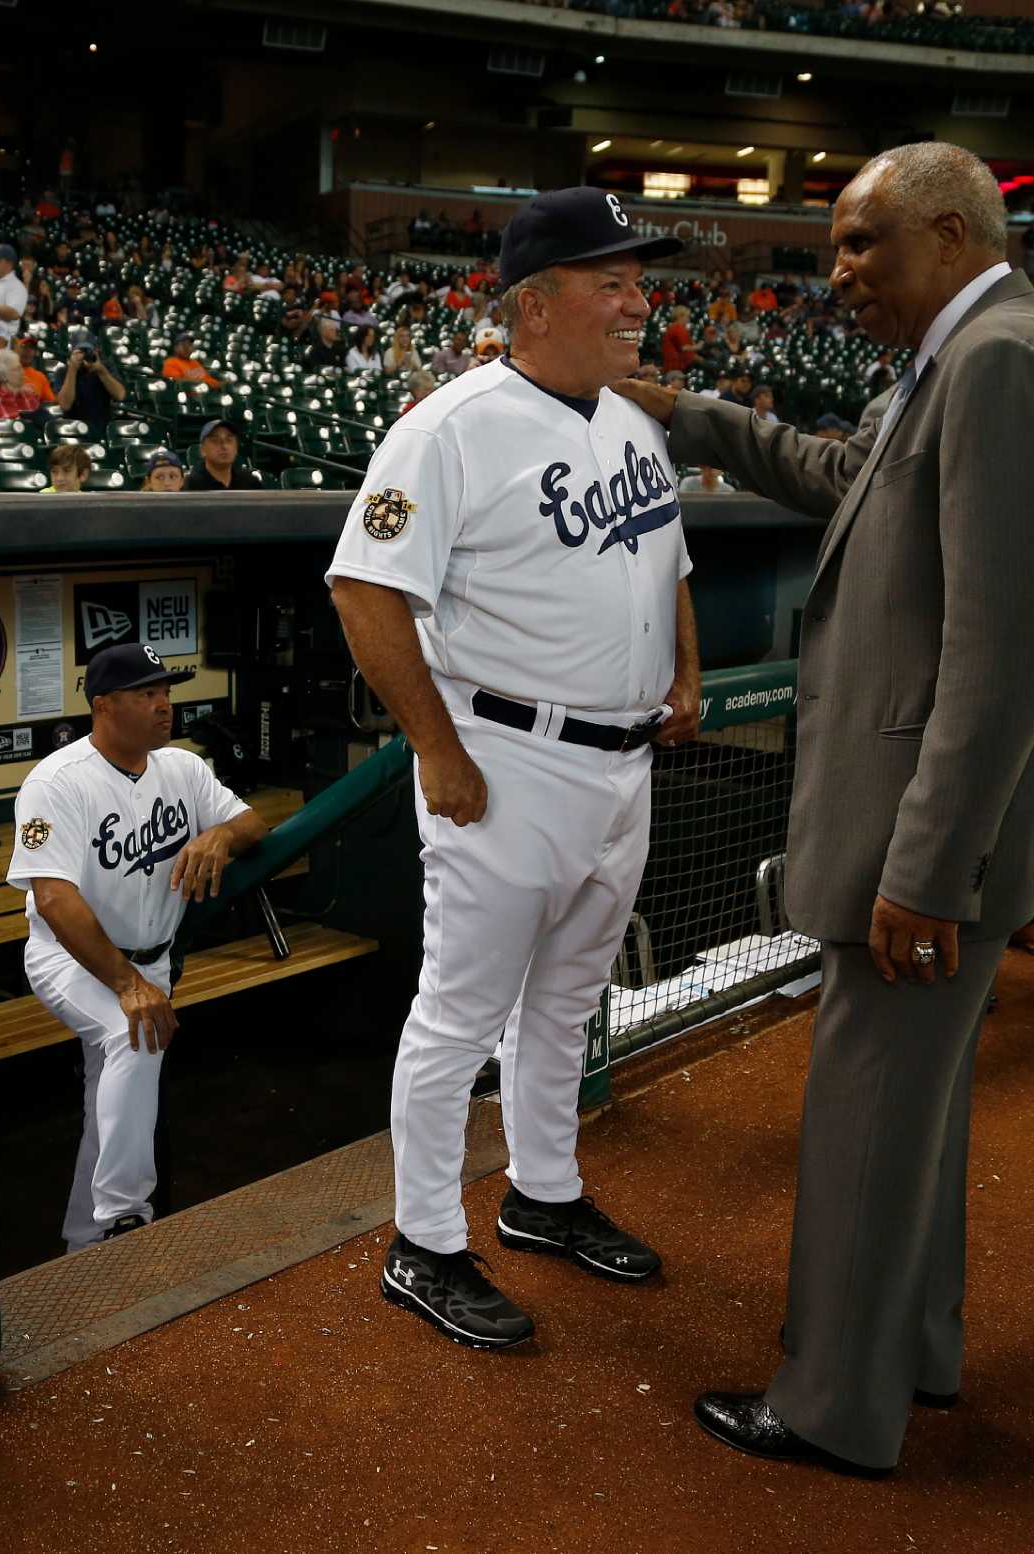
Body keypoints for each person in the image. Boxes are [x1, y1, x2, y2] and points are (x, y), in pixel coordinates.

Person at [613, 141, 1034, 1476]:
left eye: (857, 243)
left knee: (869, 1107)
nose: (835, 273)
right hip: (950, 819)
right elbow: (844, 480)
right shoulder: (969, 348)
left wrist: (923, 868)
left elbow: (1003, 651)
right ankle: (917, 1353)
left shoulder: (1001, 358)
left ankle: (833, 1402)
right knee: (916, 1112)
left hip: (936, 827)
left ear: (948, 231)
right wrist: (678, 406)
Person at [328, 187, 700, 1353]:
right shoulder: (448, 426)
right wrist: (435, 747)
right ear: (534, 304)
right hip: (506, 756)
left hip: (621, 760)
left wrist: (684, 672)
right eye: (613, 281)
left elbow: (666, 566)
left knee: (567, 1002)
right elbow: (362, 588)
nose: (637, 300)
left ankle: (542, 1193)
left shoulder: (629, 423)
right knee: (458, 1016)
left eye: (637, 280)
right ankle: (423, 1241)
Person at [9, 642, 268, 1248]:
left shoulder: (182, 768)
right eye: (145, 694)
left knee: (114, 1098)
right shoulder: (56, 781)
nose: (163, 706)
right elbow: (53, 899)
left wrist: (222, 837)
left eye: (166, 692)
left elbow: (254, 823)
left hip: (152, 958)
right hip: (73, 958)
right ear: (103, 705)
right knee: (136, 1037)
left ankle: (82, 1237)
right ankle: (127, 1219)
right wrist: (127, 984)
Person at [56, 332, 124, 439]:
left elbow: (120, 395)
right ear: (72, 353)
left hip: (102, 430)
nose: (84, 355)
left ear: (96, 351)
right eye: (81, 351)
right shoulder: (63, 372)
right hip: (74, 432)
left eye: (88, 351)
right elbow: (65, 405)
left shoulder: (105, 368)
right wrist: (72, 370)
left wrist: (101, 371)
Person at [183, 419, 262, 491]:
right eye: (215, 441)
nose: (224, 446)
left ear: (236, 448)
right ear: (202, 450)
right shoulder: (190, 485)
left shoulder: (250, 483)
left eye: (229, 440)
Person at [0, 347, 43, 418]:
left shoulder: (28, 395)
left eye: (21, 368)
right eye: (17, 369)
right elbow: (9, 424)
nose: (22, 372)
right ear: (3, 375)